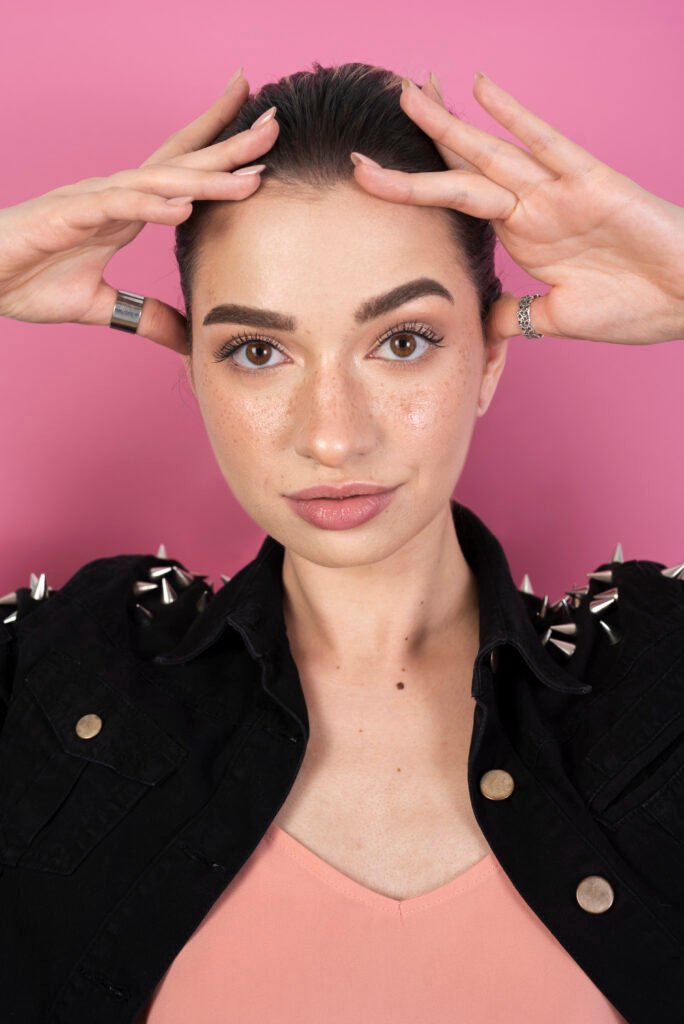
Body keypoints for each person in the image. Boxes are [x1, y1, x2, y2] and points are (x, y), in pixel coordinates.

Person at [0, 60, 683, 1024]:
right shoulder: (55, 678)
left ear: (487, 358)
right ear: (194, 373)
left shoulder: (665, 677)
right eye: (257, 351)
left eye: (402, 341)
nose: (332, 436)